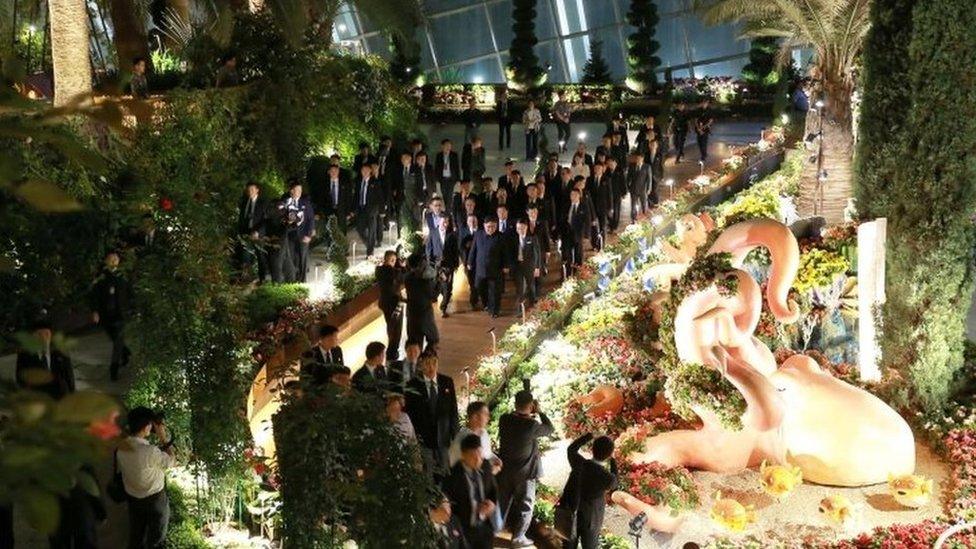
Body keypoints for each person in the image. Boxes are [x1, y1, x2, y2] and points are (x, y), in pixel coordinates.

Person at [496, 390, 554, 548]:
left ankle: (494, 530)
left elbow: (515, 418)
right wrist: (540, 412)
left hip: (505, 470)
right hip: (525, 473)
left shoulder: (504, 419)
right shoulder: (532, 425)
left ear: (515, 404)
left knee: (502, 502)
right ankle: (518, 537)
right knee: (526, 505)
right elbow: (550, 429)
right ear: (531, 406)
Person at [117, 407, 175, 549]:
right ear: (146, 426)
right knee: (156, 539)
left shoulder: (121, 448)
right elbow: (171, 462)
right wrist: (163, 437)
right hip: (155, 500)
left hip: (133, 498)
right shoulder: (149, 451)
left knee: (136, 536)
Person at [405, 352, 460, 479]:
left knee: (446, 473)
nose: (431, 367)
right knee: (428, 475)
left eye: (434, 362)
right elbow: (410, 414)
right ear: (420, 365)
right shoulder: (412, 385)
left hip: (444, 438)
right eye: (427, 363)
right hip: (424, 439)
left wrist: (455, 435)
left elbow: (453, 411)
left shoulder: (447, 382)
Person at [559, 433, 617, 549]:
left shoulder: (579, 463)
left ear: (592, 449)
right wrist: (613, 461)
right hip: (591, 518)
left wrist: (589, 435)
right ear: (608, 455)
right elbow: (615, 481)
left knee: (568, 544)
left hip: (570, 509)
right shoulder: (607, 478)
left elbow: (571, 448)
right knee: (589, 546)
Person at [444, 434, 498, 549]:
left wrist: (492, 504)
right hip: (464, 530)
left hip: (485, 527)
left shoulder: (486, 466)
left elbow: (493, 490)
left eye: (480, 454)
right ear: (463, 455)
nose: (478, 460)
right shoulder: (452, 476)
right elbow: (448, 505)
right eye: (473, 456)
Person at [91, 250, 132, 381]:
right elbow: (95, 296)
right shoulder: (101, 277)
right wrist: (95, 311)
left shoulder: (123, 276)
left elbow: (130, 293)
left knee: (118, 341)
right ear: (106, 261)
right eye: (111, 258)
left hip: (121, 314)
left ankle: (113, 368)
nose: (114, 260)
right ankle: (125, 352)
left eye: (116, 258)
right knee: (115, 339)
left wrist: (133, 309)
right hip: (106, 315)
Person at [15, 317, 75, 399]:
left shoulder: (61, 353)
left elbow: (69, 377)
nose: (43, 338)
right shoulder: (25, 355)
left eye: (47, 334)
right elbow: (20, 379)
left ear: (51, 336)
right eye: (39, 334)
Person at [467, 216, 506, 318]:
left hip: (495, 269)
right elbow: (473, 249)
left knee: (495, 291)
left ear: (496, 226)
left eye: (493, 227)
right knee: (479, 287)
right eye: (488, 227)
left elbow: (505, 253)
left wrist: (506, 265)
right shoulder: (478, 234)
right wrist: (470, 262)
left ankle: (495, 311)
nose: (490, 229)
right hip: (481, 268)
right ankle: (486, 304)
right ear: (484, 226)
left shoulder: (501, 236)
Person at [450, 401, 502, 473]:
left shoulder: (483, 433)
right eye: (485, 414)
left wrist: (495, 459)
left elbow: (487, 453)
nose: (488, 418)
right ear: (475, 417)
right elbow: (465, 469)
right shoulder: (463, 439)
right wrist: (491, 471)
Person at [404, 253, 440, 349]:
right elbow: (433, 296)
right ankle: (427, 361)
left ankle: (416, 362)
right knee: (433, 340)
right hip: (425, 315)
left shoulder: (407, 278)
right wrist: (439, 283)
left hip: (412, 315)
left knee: (415, 344)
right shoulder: (425, 282)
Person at [376, 250, 406, 361]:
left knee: (391, 327)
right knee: (396, 329)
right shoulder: (392, 271)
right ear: (389, 260)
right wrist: (402, 267)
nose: (394, 262)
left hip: (384, 302)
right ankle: (392, 353)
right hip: (394, 304)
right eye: (393, 260)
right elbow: (402, 277)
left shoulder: (379, 270)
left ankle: (392, 351)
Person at [427, 215, 460, 318]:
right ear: (439, 222)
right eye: (443, 222)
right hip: (436, 265)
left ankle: (443, 308)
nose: (445, 224)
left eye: (447, 222)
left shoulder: (452, 235)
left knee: (448, 288)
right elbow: (429, 248)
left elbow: (455, 251)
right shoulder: (433, 233)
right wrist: (430, 262)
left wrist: (455, 265)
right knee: (435, 286)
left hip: (448, 266)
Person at [237, 182, 269, 283]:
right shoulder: (245, 202)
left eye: (252, 189)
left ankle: (262, 278)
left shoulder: (263, 203)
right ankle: (246, 277)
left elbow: (265, 220)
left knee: (260, 256)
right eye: (248, 190)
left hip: (258, 234)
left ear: (257, 190)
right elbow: (242, 218)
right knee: (245, 255)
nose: (250, 192)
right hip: (246, 233)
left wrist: (258, 232)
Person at [354, 163, 384, 258]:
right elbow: (356, 196)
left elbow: (380, 197)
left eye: (367, 170)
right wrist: (352, 209)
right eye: (363, 170)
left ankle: (370, 252)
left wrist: (382, 211)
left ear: (370, 171)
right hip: (361, 209)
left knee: (372, 231)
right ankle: (369, 244)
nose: (365, 172)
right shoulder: (359, 182)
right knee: (360, 228)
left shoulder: (375, 182)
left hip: (372, 210)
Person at [513, 218, 542, 308]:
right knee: (519, 288)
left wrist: (537, 267)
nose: (520, 230)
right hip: (517, 266)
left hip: (529, 265)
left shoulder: (532, 238)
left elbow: (537, 253)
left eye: (522, 228)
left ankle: (532, 305)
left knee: (530, 285)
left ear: (526, 227)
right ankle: (520, 309)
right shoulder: (513, 239)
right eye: (518, 228)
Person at [561, 188, 590, 277]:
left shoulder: (584, 206)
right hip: (567, 234)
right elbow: (562, 219)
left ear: (579, 196)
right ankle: (569, 274)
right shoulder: (566, 205)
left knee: (579, 254)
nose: (573, 197)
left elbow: (587, 221)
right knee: (568, 255)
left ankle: (579, 273)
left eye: (575, 195)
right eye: (571, 195)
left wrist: (586, 235)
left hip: (578, 234)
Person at [458, 213, 482, 311]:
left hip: (480, 262)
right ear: (467, 222)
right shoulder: (463, 232)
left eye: (474, 221)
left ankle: (479, 298)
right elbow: (460, 247)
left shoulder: (481, 231)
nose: (472, 223)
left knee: (479, 282)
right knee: (472, 283)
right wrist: (464, 261)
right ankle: (473, 302)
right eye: (470, 221)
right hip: (468, 263)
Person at [627, 151, 652, 222]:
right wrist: (628, 187)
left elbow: (649, 179)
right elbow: (628, 178)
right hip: (633, 189)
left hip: (643, 189)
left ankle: (645, 218)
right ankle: (633, 219)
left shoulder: (647, 167)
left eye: (639, 158)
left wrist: (649, 189)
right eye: (637, 158)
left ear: (642, 159)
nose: (638, 160)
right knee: (633, 206)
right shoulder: (632, 166)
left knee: (644, 204)